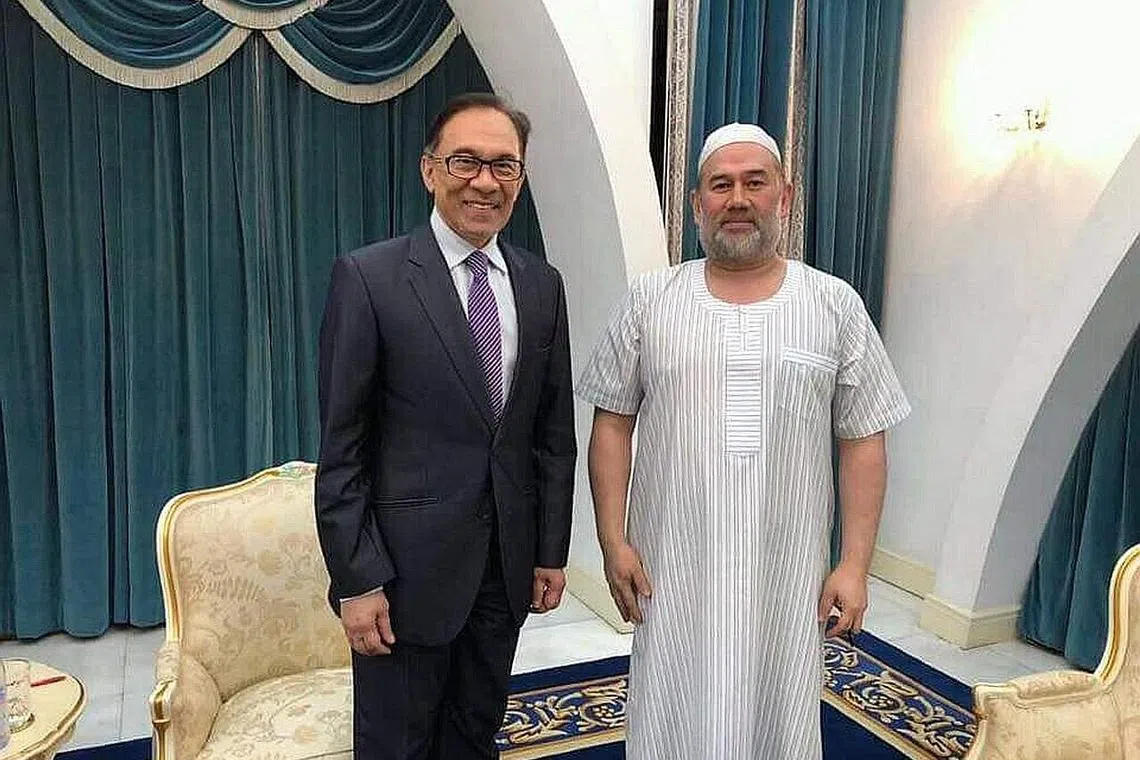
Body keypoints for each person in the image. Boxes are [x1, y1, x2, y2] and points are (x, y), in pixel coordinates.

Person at [577, 122, 911, 758]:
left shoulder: (834, 304)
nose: (737, 199)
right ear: (696, 203)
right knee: (670, 708)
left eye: (755, 183)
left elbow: (864, 439)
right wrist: (613, 542)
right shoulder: (649, 300)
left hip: (788, 570)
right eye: (720, 185)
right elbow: (612, 421)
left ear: (785, 196)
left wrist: (854, 565)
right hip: (672, 567)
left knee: (780, 712)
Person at [315, 92, 577, 760]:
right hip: (403, 578)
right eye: (466, 161)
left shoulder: (542, 285)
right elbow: (343, 449)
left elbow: (552, 437)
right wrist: (357, 580)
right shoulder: (369, 278)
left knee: (474, 735)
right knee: (397, 746)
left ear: (520, 178)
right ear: (430, 170)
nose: (485, 181)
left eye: (504, 165)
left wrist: (550, 550)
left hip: (504, 571)